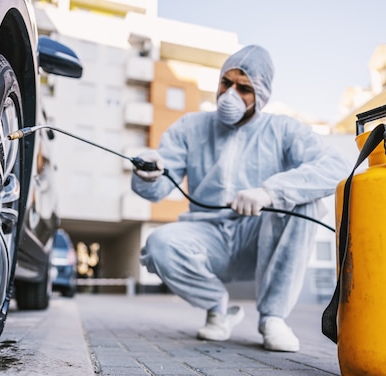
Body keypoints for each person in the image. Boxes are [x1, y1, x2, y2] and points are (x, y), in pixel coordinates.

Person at [131, 45, 351, 352]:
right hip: (206, 237)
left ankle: (273, 318)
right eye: (226, 83)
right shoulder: (190, 127)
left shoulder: (283, 129)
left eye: (244, 88)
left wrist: (270, 192)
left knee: (305, 201)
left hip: (259, 239)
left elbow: (336, 167)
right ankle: (218, 308)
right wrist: (148, 172)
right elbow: (157, 190)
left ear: (261, 95)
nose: (230, 94)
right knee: (158, 246)